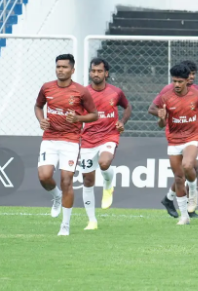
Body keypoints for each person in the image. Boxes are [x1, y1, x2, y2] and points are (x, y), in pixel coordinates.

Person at [35, 54, 98, 236]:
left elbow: (94, 115)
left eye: (64, 67)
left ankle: (65, 226)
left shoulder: (81, 91)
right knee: (44, 177)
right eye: (58, 66)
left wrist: (78, 118)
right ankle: (56, 196)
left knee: (66, 180)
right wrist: (41, 120)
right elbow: (38, 106)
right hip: (50, 139)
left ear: (72, 70)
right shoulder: (47, 87)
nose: (60, 70)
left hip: (70, 141)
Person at [153, 63, 198, 225]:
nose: (177, 84)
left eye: (180, 81)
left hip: (192, 137)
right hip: (174, 140)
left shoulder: (197, 95)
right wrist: (161, 117)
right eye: (174, 81)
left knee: (188, 165)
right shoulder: (166, 96)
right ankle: (184, 216)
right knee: (179, 178)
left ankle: (193, 192)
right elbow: (160, 123)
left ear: (187, 80)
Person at [79, 58, 132, 230]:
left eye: (99, 71)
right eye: (93, 71)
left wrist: (122, 122)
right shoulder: (83, 93)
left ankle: (108, 184)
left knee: (104, 163)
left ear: (106, 73)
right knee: (88, 180)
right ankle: (92, 221)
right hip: (88, 139)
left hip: (109, 135)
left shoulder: (116, 92)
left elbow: (127, 107)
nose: (96, 74)